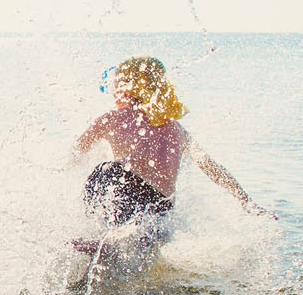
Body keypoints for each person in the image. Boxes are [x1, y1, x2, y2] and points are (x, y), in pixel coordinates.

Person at [70, 56, 274, 253]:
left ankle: (98, 238)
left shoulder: (112, 119)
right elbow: (211, 168)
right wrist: (246, 201)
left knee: (105, 170)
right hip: (161, 215)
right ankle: (114, 242)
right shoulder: (177, 129)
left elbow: (76, 153)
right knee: (138, 243)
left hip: (129, 203)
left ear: (124, 88)